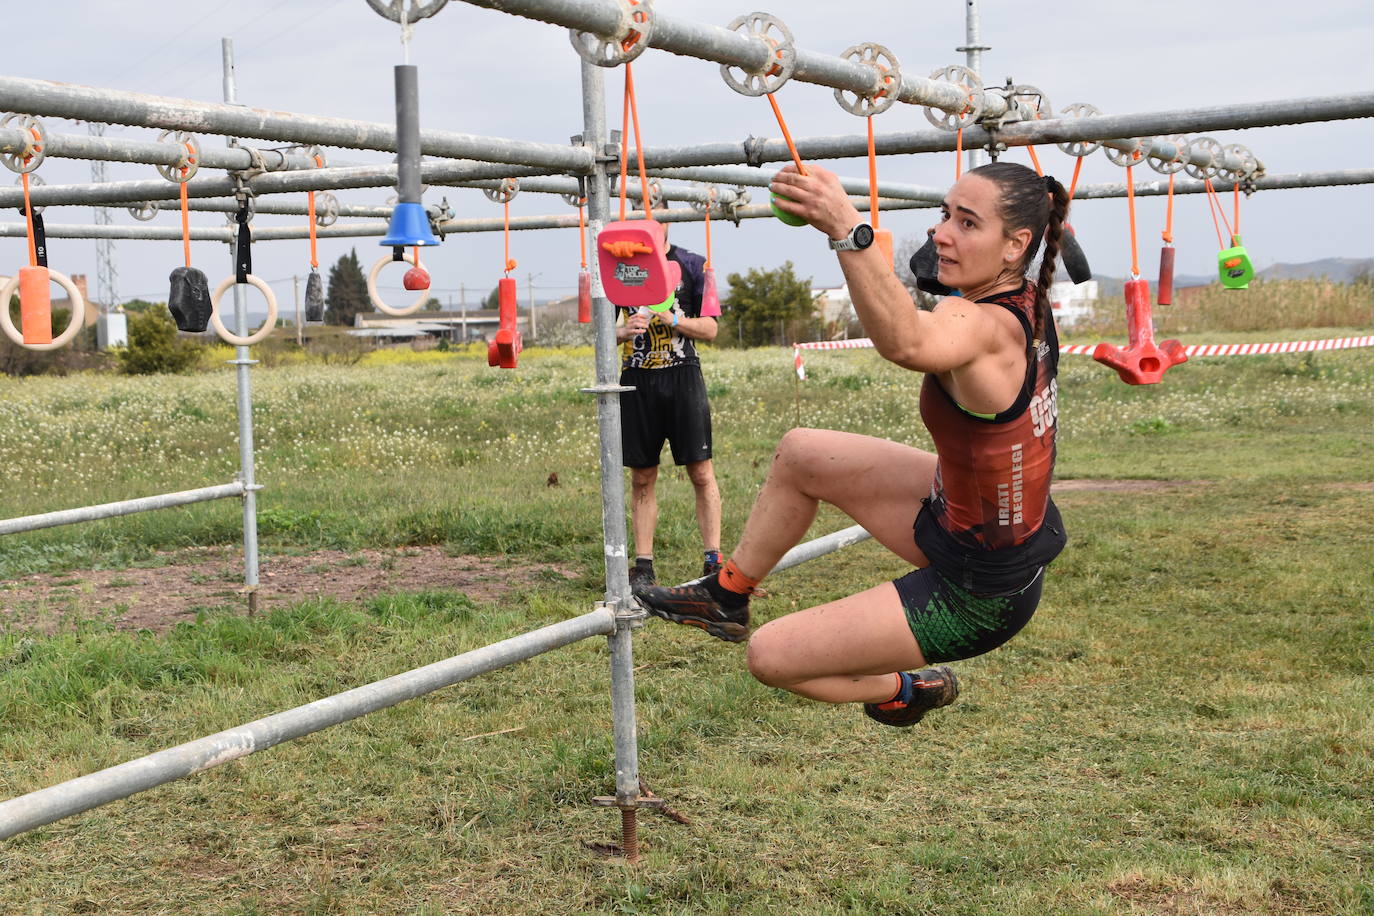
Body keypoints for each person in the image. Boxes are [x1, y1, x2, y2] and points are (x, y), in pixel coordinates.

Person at [636, 161, 1068, 728]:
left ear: (1016, 245)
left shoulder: (983, 323)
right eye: (945, 215)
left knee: (771, 657)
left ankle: (904, 690)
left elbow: (908, 341)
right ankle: (726, 593)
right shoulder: (1029, 297)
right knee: (803, 452)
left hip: (981, 591)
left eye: (967, 223)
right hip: (973, 520)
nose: (941, 232)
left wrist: (848, 228)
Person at [615, 228, 723, 593]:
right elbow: (597, 331)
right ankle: (643, 567)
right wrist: (622, 331)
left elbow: (711, 329)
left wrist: (674, 320)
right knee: (642, 476)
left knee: (701, 472)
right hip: (636, 379)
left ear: (667, 220)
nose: (646, 215)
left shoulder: (694, 264)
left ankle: (713, 560)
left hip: (683, 377)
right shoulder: (620, 265)